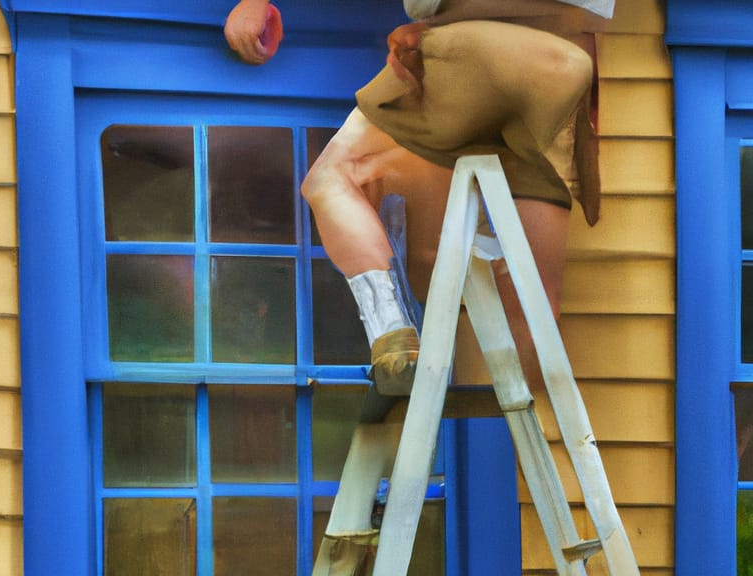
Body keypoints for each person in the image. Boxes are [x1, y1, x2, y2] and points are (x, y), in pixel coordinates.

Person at [225, 0, 612, 395]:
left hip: (476, 48)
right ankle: (535, 402)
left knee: (331, 179)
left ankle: (396, 341)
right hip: (570, 65)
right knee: (533, 304)